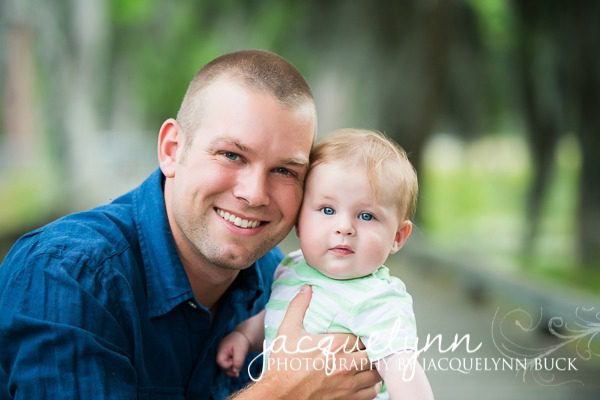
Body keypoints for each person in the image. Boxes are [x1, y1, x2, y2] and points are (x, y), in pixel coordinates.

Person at [0, 51, 381, 399]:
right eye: (231, 155)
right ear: (171, 149)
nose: (255, 194)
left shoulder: (283, 283)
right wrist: (281, 393)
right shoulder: (68, 272)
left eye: (284, 170)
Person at [217, 129, 434, 399]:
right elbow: (275, 316)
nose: (344, 227)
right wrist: (245, 336)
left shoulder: (379, 301)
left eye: (366, 216)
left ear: (398, 237)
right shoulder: (292, 266)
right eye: (328, 210)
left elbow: (405, 374)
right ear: (299, 221)